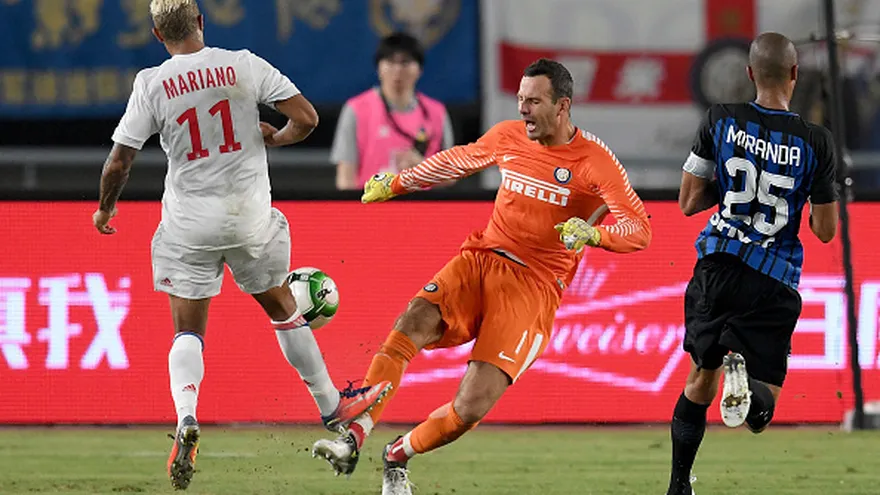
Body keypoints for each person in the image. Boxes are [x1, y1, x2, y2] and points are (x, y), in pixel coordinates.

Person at [312, 58, 653, 494]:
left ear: (562, 106)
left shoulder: (596, 163)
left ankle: (398, 454)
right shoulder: (509, 136)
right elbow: (459, 161)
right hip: (482, 258)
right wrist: (399, 183)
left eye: (534, 101)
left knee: (469, 407)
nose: (524, 109)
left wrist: (595, 234)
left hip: (534, 288)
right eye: (520, 100)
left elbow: (639, 228)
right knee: (412, 320)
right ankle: (353, 436)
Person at [91, 0, 391, 490]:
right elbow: (308, 118)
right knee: (281, 307)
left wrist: (106, 207)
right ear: (202, 23)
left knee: (187, 330)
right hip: (249, 219)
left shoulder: (151, 83)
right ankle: (332, 407)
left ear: (155, 33)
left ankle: (186, 416)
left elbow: (119, 163)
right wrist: (278, 139)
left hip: (189, 225)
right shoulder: (242, 63)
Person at [667, 32, 839, 495]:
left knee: (699, 379)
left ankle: (679, 484)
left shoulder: (719, 120)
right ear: (795, 75)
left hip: (719, 263)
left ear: (749, 74)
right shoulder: (815, 141)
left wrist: (734, 184)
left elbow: (687, 201)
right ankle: (742, 368)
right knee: (761, 414)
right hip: (774, 276)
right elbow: (825, 231)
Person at [332, 32, 454, 190]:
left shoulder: (437, 113)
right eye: (390, 62)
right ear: (378, 67)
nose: (398, 69)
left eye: (405, 62)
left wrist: (422, 168)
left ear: (419, 69)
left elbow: (451, 175)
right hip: (372, 208)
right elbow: (345, 179)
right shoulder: (356, 109)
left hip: (421, 209)